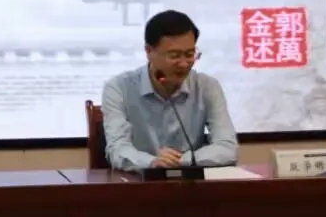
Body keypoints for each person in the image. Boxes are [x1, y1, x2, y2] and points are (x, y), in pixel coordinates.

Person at [101, 9, 238, 171]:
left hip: (191, 181)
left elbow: (227, 147)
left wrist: (183, 160)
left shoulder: (207, 86)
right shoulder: (118, 88)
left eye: (190, 54)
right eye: (174, 56)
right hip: (141, 181)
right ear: (149, 52)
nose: (184, 64)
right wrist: (152, 162)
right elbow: (117, 149)